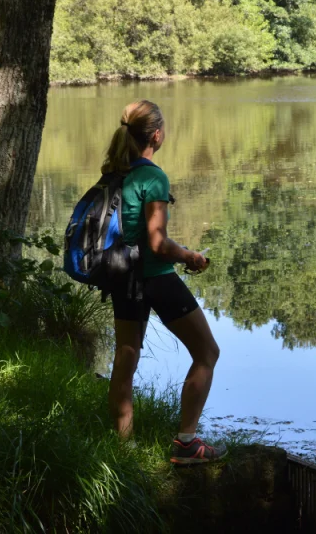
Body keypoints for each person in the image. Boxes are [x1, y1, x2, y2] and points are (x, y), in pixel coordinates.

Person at [102, 99, 226, 464]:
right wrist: (190, 257)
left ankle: (124, 452)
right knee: (207, 352)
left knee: (125, 362)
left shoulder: (113, 172)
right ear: (156, 134)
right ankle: (187, 443)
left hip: (121, 277)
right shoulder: (152, 177)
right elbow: (157, 244)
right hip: (154, 277)